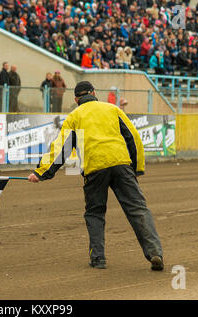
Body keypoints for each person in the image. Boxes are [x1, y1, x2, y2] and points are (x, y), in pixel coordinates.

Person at [27, 81, 164, 271]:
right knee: (138, 209)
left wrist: (41, 172)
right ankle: (155, 252)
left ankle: (98, 259)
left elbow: (61, 148)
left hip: (94, 168)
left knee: (95, 213)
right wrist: (136, 169)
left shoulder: (74, 116)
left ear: (76, 99)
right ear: (93, 93)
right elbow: (133, 138)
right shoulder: (112, 109)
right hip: (121, 163)